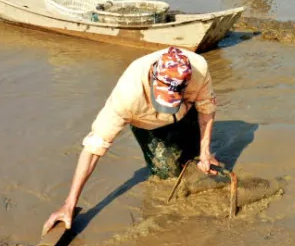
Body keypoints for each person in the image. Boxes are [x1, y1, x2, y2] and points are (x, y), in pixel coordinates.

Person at [42, 47, 219, 235]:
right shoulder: (127, 96)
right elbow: (94, 148)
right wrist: (69, 204)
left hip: (185, 111)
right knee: (168, 174)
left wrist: (205, 151)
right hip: (148, 124)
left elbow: (207, 108)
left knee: (195, 157)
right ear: (152, 76)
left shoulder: (198, 68)